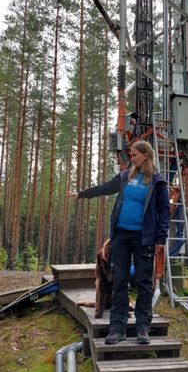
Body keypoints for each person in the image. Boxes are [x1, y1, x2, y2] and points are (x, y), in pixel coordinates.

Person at [67, 140, 170, 345]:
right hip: (121, 236)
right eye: (130, 155)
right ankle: (117, 328)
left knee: (143, 283)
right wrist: (81, 194)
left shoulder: (157, 182)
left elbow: (164, 211)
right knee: (119, 280)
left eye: (133, 155)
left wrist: (161, 238)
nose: (130, 158)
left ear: (145, 156)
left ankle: (142, 328)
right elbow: (105, 188)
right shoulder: (125, 177)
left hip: (144, 238)